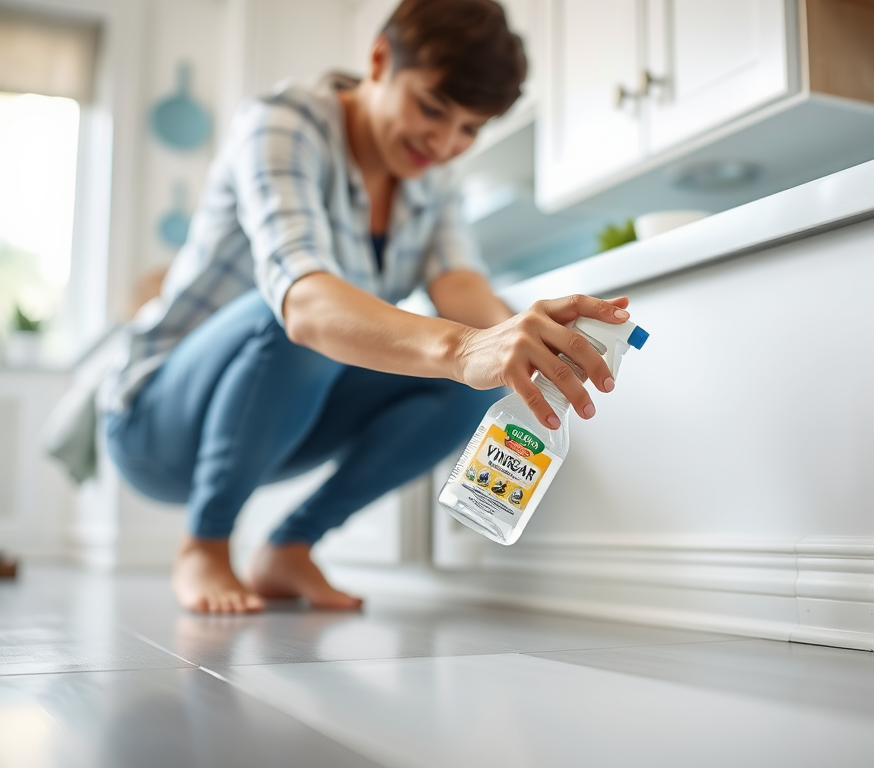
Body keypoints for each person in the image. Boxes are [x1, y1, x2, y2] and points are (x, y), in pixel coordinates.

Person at [101, 0, 631, 614]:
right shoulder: (281, 122)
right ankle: (205, 543)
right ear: (379, 60)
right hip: (156, 424)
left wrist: (525, 336)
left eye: (469, 129)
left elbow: (459, 285)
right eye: (432, 109)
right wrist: (463, 347)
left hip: (274, 430)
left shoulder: (432, 177)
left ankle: (290, 547)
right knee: (302, 317)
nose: (444, 142)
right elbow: (305, 303)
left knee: (473, 385)